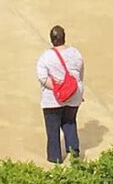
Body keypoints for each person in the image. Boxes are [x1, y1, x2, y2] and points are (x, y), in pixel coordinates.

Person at [36, 26, 85, 164]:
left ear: (51, 40)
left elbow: (43, 78)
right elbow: (80, 75)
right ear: (64, 37)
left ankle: (55, 159)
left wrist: (59, 89)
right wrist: (75, 91)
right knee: (69, 122)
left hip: (52, 100)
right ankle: (74, 152)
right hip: (74, 95)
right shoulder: (76, 53)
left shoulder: (45, 57)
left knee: (53, 130)